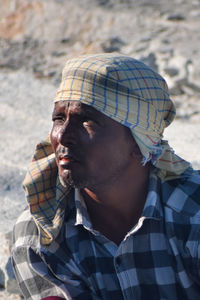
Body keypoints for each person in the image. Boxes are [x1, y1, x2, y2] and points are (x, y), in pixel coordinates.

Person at [12, 53, 200, 300]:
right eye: (59, 118)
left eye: (88, 121)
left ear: (140, 141)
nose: (62, 136)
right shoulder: (40, 237)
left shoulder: (192, 212)